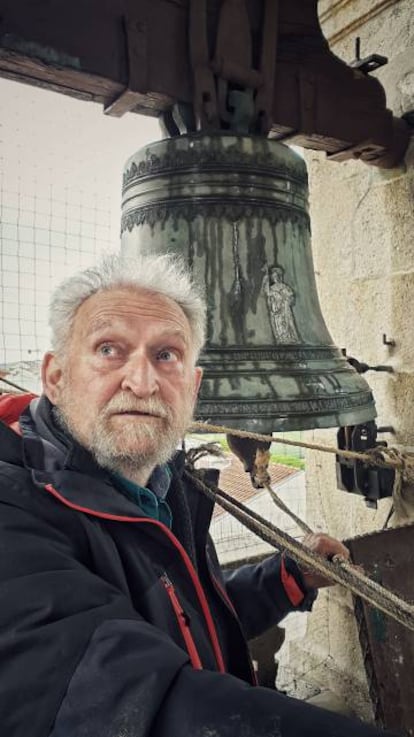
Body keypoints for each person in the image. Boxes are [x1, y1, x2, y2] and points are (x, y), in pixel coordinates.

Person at [0, 253, 393, 737]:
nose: (142, 382)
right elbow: (134, 703)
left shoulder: (167, 486)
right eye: (108, 349)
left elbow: (187, 617)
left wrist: (288, 577)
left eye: (167, 355)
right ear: (55, 378)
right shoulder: (13, 509)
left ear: (194, 385)